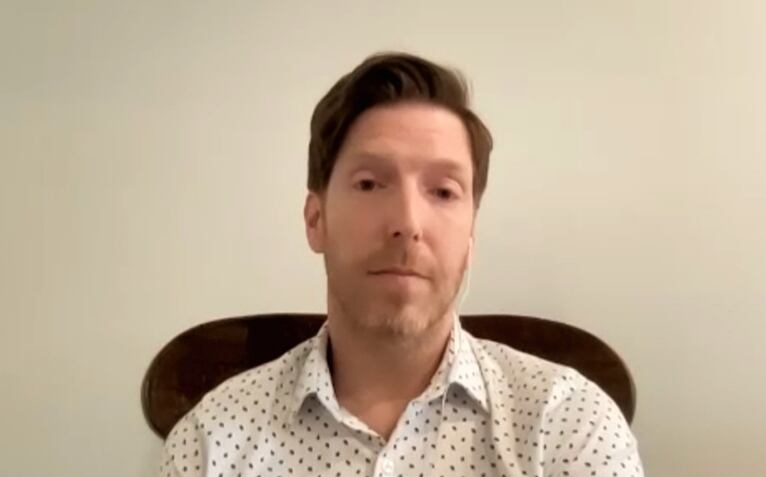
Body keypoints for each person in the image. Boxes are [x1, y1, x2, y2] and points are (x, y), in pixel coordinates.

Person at [158, 51, 644, 477]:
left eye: (443, 191)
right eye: (370, 184)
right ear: (315, 219)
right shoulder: (210, 442)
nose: (408, 223)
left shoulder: (568, 424)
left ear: (470, 234)